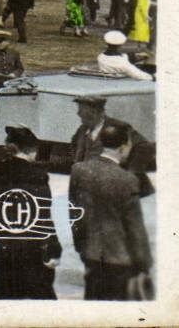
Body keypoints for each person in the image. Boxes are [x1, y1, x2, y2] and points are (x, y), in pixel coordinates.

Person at [0, 125, 62, 299]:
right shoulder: (37, 174)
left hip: (5, 242)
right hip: (33, 244)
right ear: (30, 150)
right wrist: (54, 247)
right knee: (41, 295)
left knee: (8, 293)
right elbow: (44, 214)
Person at [70, 121, 153, 300]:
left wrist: (81, 246)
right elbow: (135, 227)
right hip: (119, 260)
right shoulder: (128, 179)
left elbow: (75, 213)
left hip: (91, 255)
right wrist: (143, 264)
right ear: (124, 147)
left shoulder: (79, 171)